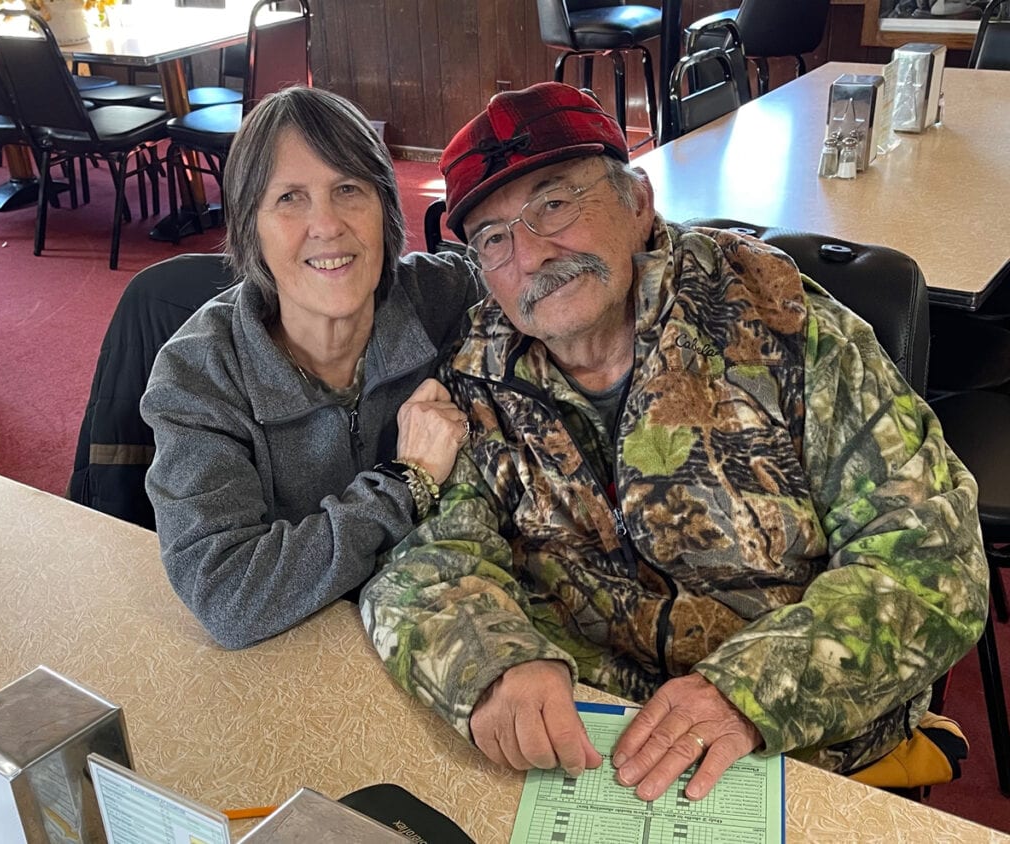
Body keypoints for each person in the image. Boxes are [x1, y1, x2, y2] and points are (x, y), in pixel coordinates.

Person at [361, 82, 988, 802]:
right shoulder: (476, 374)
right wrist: (496, 666)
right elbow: (426, 558)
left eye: (554, 204)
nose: (530, 255)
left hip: (801, 747)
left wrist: (746, 694)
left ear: (636, 203)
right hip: (591, 750)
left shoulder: (786, 328)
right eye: (494, 239)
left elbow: (933, 561)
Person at [141, 86, 481, 649]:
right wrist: (406, 481)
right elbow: (229, 595)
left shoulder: (446, 296)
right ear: (251, 227)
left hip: (442, 629)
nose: (326, 225)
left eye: (349, 189)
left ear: (385, 210)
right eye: (290, 198)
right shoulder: (199, 374)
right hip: (300, 656)